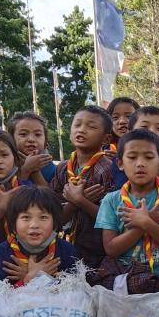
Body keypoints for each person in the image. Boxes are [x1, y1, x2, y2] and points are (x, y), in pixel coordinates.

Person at [94, 129, 159, 294]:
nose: (140, 163)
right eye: (132, 157)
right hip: (126, 271)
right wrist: (142, 225)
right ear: (120, 163)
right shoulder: (111, 200)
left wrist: (147, 222)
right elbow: (111, 249)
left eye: (149, 157)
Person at [49, 105, 115, 269]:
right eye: (77, 125)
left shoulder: (108, 170)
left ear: (106, 139)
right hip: (64, 248)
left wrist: (81, 201)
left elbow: (113, 219)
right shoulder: (63, 168)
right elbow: (53, 216)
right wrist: (75, 203)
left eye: (91, 127)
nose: (82, 130)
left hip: (97, 250)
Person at [0, 186, 79, 287]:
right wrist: (28, 279)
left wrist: (38, 277)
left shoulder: (66, 250)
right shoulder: (2, 252)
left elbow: (75, 291)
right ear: (13, 222)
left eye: (43, 217)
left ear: (55, 222)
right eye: (26, 217)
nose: (34, 225)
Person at [7, 112, 55, 185]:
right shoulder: (5, 164)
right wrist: (26, 169)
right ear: (11, 138)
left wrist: (35, 171)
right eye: (23, 134)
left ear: (45, 140)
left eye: (37, 134)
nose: (31, 139)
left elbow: (50, 192)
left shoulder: (50, 167)